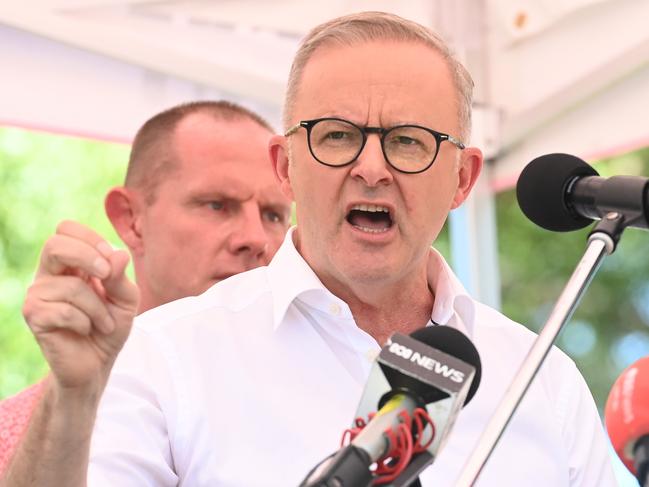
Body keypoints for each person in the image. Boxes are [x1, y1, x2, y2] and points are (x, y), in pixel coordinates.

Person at [2, 12, 616, 487]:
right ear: (285, 166)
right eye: (338, 136)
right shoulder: (161, 358)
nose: (371, 168)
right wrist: (74, 395)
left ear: (462, 178)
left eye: (408, 141)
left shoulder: (542, 380)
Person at [0, 100, 292, 475]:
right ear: (131, 219)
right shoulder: (17, 432)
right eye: (217, 205)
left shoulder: (327, 392)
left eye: (274, 215)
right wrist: (72, 398)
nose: (255, 238)